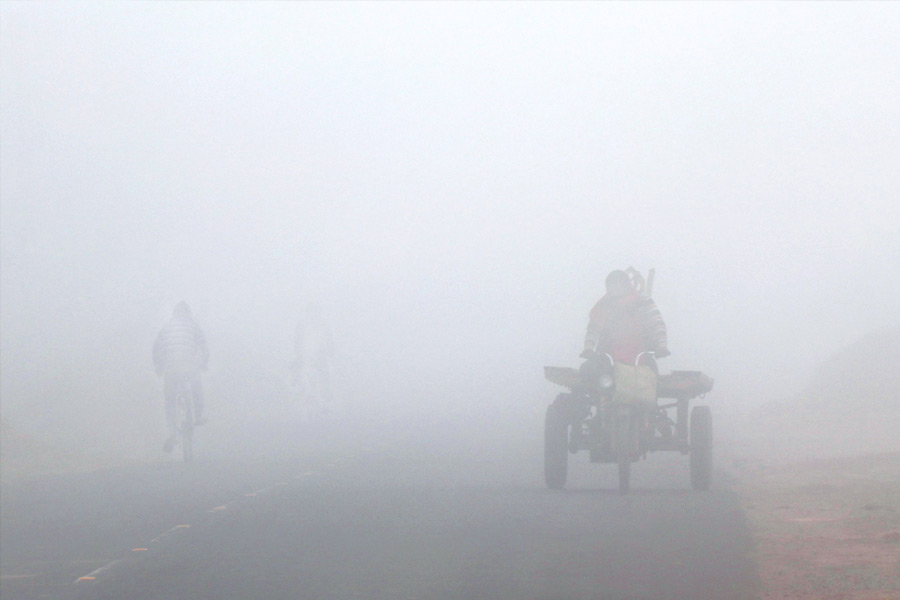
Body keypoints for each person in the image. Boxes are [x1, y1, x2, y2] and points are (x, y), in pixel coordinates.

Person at [583, 269, 669, 369]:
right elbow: (594, 328)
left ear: (626, 284)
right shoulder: (603, 306)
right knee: (588, 371)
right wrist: (588, 348)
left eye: (620, 283)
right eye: (612, 284)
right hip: (608, 358)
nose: (616, 287)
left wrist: (662, 346)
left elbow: (657, 322)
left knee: (651, 378)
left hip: (640, 355)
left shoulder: (642, 301)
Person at [153, 301, 209, 452]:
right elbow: (203, 347)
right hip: (189, 366)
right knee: (196, 387)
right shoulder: (193, 326)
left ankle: (172, 432)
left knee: (170, 399)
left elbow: (157, 347)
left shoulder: (166, 327)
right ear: (188, 313)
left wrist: (158, 367)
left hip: (170, 368)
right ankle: (197, 415)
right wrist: (204, 364)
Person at [291, 302, 334, 419]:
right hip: (306, 357)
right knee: (306, 380)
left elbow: (329, 340)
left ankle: (325, 402)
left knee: (324, 378)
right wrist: (299, 355)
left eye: (315, 311)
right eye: (311, 311)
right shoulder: (303, 325)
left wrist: (330, 352)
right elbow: (297, 341)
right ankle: (309, 405)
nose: (313, 314)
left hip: (320, 356)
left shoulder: (323, 325)